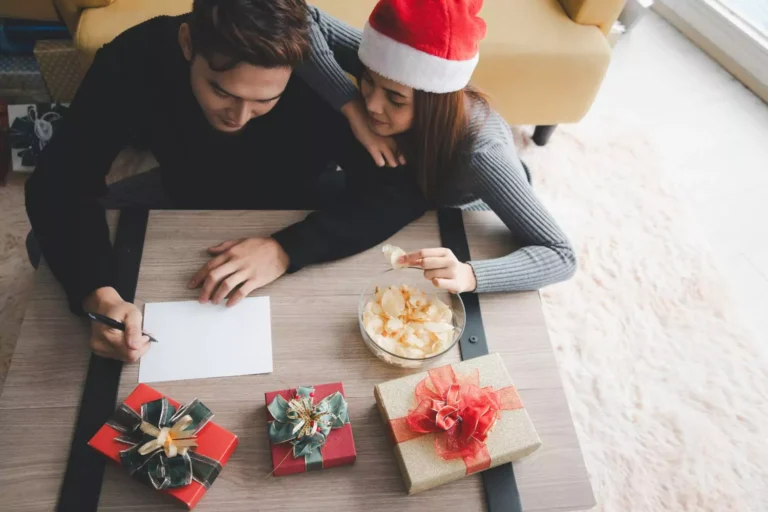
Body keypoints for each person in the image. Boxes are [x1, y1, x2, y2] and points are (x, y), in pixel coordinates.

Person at [25, 0, 424, 363]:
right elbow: (59, 181)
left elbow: (405, 188)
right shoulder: (135, 56)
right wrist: (97, 292)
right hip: (184, 191)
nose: (238, 116)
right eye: (221, 90)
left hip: (299, 196)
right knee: (43, 244)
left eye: (265, 100)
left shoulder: (326, 77)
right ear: (187, 44)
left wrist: (287, 249)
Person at [301, 0, 577, 294]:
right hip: (400, 191)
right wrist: (350, 107)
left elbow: (561, 254)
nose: (372, 104)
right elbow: (301, 17)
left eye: (395, 100)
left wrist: (470, 275)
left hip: (463, 215)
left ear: (435, 104)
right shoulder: (387, 66)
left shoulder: (482, 155)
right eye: (367, 81)